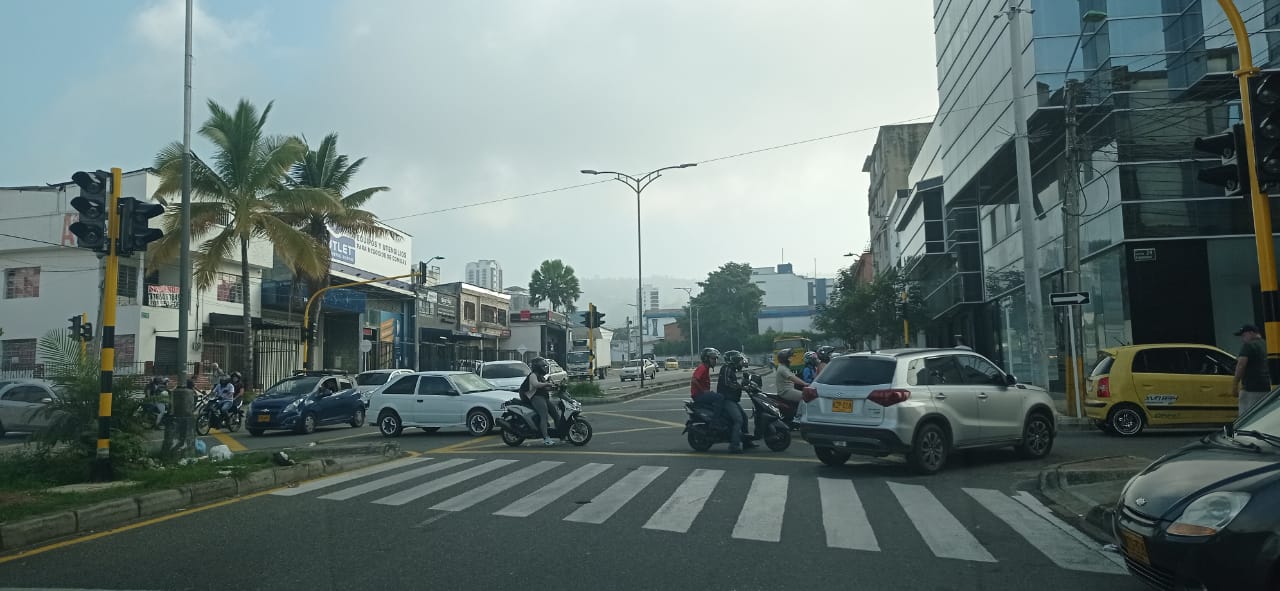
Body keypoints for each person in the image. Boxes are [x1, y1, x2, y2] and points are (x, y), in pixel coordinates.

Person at [716, 350, 755, 453]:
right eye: (738, 360)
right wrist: (741, 387)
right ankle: (734, 445)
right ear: (732, 360)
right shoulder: (726, 369)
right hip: (726, 399)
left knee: (745, 418)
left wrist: (744, 385)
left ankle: (746, 442)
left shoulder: (731, 369)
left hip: (732, 400)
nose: (740, 363)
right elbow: (727, 383)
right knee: (738, 420)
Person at [1233, 324, 1272, 416]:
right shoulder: (1267, 344)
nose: (1242, 339)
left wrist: (1235, 384)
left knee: (1246, 418)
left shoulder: (1248, 346)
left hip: (1251, 388)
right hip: (1268, 387)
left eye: (1244, 335)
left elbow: (1241, 365)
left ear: (1251, 333)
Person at [521, 357, 560, 446]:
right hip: (536, 397)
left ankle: (560, 434)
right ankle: (546, 438)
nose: (545, 367)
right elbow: (536, 385)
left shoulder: (541, 376)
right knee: (544, 416)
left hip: (544, 397)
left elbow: (545, 387)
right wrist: (546, 384)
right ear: (537, 366)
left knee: (555, 414)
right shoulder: (533, 375)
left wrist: (554, 387)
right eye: (543, 366)